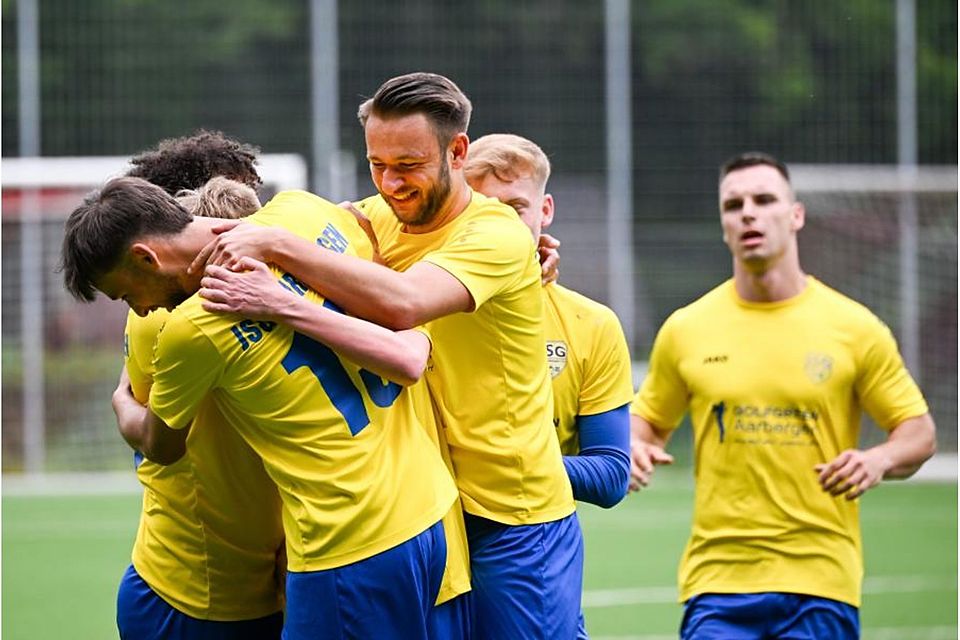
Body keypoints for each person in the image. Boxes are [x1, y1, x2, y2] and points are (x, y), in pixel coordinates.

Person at [193, 72, 583, 639]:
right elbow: (295, 223)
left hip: (512, 512)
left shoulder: (496, 234)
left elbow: (405, 303)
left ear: (457, 150)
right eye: (378, 164)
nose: (392, 182)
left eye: (409, 164)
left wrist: (276, 246)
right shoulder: (375, 217)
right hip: (429, 510)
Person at [60, 177, 459, 640]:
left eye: (128, 295)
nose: (142, 311)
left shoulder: (194, 326)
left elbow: (160, 445)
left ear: (145, 258)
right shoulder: (303, 213)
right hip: (428, 512)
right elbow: (374, 237)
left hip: (347, 540)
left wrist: (122, 402)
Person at [629, 151, 937, 639]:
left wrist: (877, 460)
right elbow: (645, 420)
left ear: (796, 216)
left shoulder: (854, 328)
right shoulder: (687, 328)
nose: (748, 212)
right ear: (724, 225)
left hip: (821, 579)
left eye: (764, 199)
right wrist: (635, 445)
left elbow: (918, 433)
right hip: (718, 579)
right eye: (734, 205)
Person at [115, 132, 286, 640]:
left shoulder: (265, 289)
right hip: (193, 595)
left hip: (250, 586)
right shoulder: (167, 316)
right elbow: (160, 443)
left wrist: (121, 399)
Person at [464, 132, 633, 637]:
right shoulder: (419, 302)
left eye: (515, 207)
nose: (501, 224)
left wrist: (498, 463)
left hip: (527, 542)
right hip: (428, 542)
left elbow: (609, 474)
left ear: (546, 210)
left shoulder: (591, 325)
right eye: (483, 209)